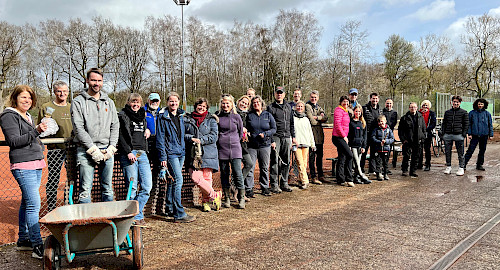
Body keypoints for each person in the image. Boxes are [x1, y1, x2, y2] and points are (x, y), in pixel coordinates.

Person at [0, 85, 48, 259]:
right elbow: (14, 141)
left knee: (27, 202)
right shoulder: (8, 116)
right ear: (15, 98)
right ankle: (37, 245)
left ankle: (23, 240)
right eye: (23, 98)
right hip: (22, 164)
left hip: (36, 162)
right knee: (34, 204)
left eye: (29, 98)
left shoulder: (27, 116)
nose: (27, 101)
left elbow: (31, 138)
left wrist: (40, 133)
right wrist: (37, 131)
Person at [71, 68, 119, 203]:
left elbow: (115, 125)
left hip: (106, 150)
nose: (96, 83)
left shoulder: (109, 102)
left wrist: (111, 147)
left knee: (108, 188)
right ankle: (86, 222)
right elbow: (78, 128)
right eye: (93, 80)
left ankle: (108, 220)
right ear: (87, 81)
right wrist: (92, 149)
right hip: (86, 150)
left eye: (99, 81)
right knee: (85, 190)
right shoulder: (78, 101)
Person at [156, 92, 196, 223]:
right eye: (171, 101)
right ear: (167, 102)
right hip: (170, 153)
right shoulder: (162, 117)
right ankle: (179, 213)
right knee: (178, 180)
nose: (173, 104)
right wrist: (163, 157)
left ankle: (169, 209)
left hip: (181, 152)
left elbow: (182, 134)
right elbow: (160, 138)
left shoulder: (180, 116)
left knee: (173, 181)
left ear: (179, 102)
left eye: (175, 101)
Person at [117, 93, 152, 226]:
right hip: (129, 154)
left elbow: (143, 129)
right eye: (133, 102)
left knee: (147, 187)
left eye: (138, 102)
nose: (135, 104)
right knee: (132, 189)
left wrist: (147, 129)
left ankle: (136, 214)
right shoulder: (122, 116)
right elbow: (120, 136)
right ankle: (132, 218)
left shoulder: (142, 115)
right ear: (128, 102)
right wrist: (127, 152)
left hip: (142, 154)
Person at [37, 81, 72, 212]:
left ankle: (68, 205)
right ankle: (51, 207)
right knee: (53, 177)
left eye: (64, 91)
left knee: (71, 179)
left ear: (68, 92)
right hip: (55, 149)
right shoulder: (46, 107)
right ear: (54, 92)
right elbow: (40, 127)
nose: (62, 94)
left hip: (71, 149)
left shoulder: (72, 106)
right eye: (59, 91)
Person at [184, 98, 222, 212]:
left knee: (207, 177)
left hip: (208, 152)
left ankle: (206, 202)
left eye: (204, 107)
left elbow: (214, 136)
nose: (201, 108)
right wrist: (191, 139)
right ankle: (215, 195)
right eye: (199, 106)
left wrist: (201, 140)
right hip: (193, 153)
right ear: (195, 106)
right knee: (195, 177)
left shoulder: (211, 120)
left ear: (207, 108)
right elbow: (183, 134)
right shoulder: (187, 119)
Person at [216, 95, 246, 209]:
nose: (225, 105)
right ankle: (227, 198)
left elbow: (239, 132)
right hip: (222, 150)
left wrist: (234, 142)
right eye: (223, 103)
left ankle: (241, 198)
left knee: (238, 173)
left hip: (235, 149)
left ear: (231, 104)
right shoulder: (218, 117)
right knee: (224, 174)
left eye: (228, 103)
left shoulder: (236, 117)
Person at [267, 86, 296, 193]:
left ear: (284, 95)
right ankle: (274, 184)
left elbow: (291, 123)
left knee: (286, 161)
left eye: (281, 93)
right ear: (275, 94)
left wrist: (293, 137)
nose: (279, 94)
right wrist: (271, 140)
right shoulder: (271, 108)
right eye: (277, 93)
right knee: (275, 160)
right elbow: (268, 124)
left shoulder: (288, 107)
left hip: (287, 137)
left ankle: (284, 183)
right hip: (276, 136)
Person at [246, 96, 276, 196]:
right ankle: (249, 189)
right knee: (251, 168)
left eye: (258, 102)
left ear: (261, 103)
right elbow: (245, 127)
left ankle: (265, 187)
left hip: (265, 145)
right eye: (254, 103)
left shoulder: (268, 115)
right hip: (252, 146)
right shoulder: (249, 115)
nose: (256, 104)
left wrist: (266, 134)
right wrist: (248, 133)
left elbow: (273, 129)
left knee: (264, 168)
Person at [144, 92, 164, 215]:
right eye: (152, 100)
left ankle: (158, 207)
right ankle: (145, 207)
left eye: (156, 101)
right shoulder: (142, 111)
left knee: (159, 175)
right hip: (146, 144)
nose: (154, 103)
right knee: (145, 176)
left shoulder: (162, 112)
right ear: (148, 100)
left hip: (159, 144)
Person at [441, 96, 469, 176]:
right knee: (447, 152)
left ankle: (461, 167)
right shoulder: (447, 112)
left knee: (460, 152)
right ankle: (448, 166)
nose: (455, 103)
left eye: (457, 102)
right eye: (454, 101)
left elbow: (466, 124)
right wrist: (443, 133)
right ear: (451, 102)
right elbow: (444, 123)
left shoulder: (464, 112)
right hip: (448, 134)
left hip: (459, 135)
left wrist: (463, 134)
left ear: (460, 103)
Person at [464, 98, 493, 171]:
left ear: (484, 105)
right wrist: (469, 133)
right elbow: (469, 124)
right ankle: (463, 164)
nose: (480, 105)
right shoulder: (472, 113)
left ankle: (479, 164)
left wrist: (491, 134)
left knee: (482, 150)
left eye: (481, 104)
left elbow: (490, 125)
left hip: (484, 135)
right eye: (479, 104)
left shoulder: (487, 114)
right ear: (476, 104)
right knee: (470, 150)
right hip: (475, 135)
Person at [305, 90, 328, 184]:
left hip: (320, 136)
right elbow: (311, 120)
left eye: (315, 97)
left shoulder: (318, 106)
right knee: (312, 157)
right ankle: (313, 176)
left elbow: (326, 118)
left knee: (320, 157)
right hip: (312, 136)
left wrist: (317, 117)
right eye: (312, 97)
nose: (313, 99)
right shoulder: (307, 106)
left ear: (318, 98)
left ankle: (321, 175)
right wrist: (320, 117)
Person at [398, 102, 426, 178]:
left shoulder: (420, 117)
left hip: (418, 140)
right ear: (409, 108)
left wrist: (423, 137)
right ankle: (404, 170)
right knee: (406, 156)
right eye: (411, 107)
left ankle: (413, 171)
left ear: (417, 108)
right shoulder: (404, 118)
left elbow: (424, 128)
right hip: (408, 140)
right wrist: (403, 140)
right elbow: (400, 130)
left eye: (414, 107)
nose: (413, 108)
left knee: (416, 156)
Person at [332, 96, 355, 187]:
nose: (345, 103)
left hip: (343, 137)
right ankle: (349, 178)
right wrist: (344, 136)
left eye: (347, 102)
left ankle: (340, 179)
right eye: (344, 101)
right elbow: (338, 125)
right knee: (350, 155)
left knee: (342, 157)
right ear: (340, 102)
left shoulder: (345, 111)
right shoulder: (338, 110)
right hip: (338, 137)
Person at [293, 101, 315, 189]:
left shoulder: (306, 119)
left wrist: (312, 144)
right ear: (295, 107)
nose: (300, 108)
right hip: (297, 144)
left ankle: (300, 180)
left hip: (306, 143)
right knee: (300, 162)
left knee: (304, 164)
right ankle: (305, 181)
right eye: (298, 106)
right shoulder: (293, 118)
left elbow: (310, 132)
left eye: (301, 106)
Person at [236, 95, 254, 198]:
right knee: (237, 168)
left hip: (244, 145)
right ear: (239, 102)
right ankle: (238, 193)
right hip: (235, 144)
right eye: (243, 102)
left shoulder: (248, 115)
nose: (244, 104)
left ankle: (236, 186)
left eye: (246, 104)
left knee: (249, 164)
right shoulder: (234, 113)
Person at [348, 104, 371, 184]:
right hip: (353, 145)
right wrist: (349, 145)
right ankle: (362, 176)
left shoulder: (363, 123)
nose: (357, 113)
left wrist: (364, 146)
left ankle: (356, 178)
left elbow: (365, 136)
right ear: (354, 112)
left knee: (356, 163)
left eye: (359, 111)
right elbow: (349, 135)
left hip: (360, 145)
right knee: (357, 162)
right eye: (356, 111)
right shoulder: (350, 122)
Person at [361, 92, 382, 175]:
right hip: (366, 134)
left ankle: (372, 170)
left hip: (375, 135)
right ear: (370, 99)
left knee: (374, 153)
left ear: (378, 99)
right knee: (363, 152)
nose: (375, 100)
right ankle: (361, 169)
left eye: (376, 99)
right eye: (373, 98)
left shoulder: (380, 110)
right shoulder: (365, 108)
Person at [371, 115, 395, 181]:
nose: (381, 123)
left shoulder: (388, 130)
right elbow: (373, 137)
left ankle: (385, 174)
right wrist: (379, 142)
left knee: (385, 163)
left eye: (382, 122)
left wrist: (386, 141)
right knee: (378, 163)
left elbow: (392, 139)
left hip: (386, 149)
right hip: (378, 149)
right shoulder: (376, 130)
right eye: (379, 122)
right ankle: (378, 174)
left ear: (385, 121)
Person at [417, 100, 436, 171]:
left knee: (427, 149)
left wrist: (426, 129)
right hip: (419, 133)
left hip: (428, 133)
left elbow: (433, 123)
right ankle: (419, 163)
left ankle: (428, 164)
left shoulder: (432, 113)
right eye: (423, 105)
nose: (425, 107)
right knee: (419, 149)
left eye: (426, 105)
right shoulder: (418, 113)